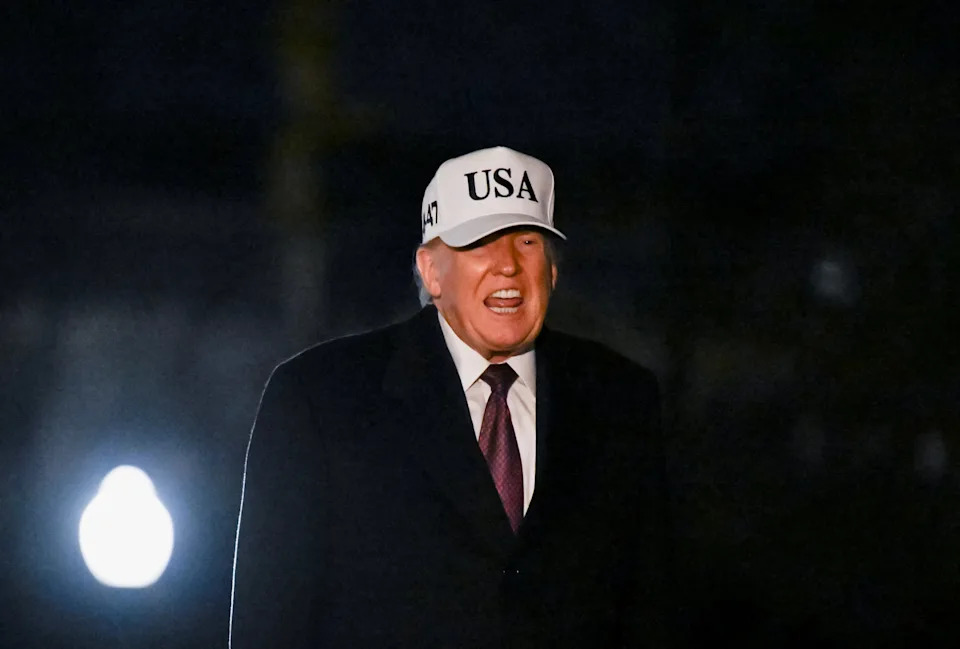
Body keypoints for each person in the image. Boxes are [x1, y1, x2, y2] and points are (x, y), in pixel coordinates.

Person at [230, 146, 671, 648]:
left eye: (527, 241)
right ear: (432, 271)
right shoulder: (320, 398)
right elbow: (270, 623)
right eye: (480, 242)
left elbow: (650, 609)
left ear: (552, 272)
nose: (508, 266)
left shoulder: (621, 400)